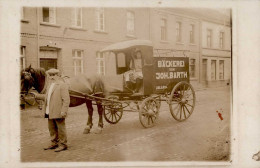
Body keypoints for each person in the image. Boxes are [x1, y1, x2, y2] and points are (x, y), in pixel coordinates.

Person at [33, 68, 70, 152]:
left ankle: (63, 144)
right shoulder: (49, 86)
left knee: (61, 128)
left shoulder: (62, 85)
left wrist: (64, 111)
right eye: (50, 75)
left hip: (58, 111)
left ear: (58, 75)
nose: (52, 77)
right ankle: (54, 143)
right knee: (51, 128)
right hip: (49, 110)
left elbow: (66, 99)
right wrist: (37, 95)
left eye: (54, 75)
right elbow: (47, 97)